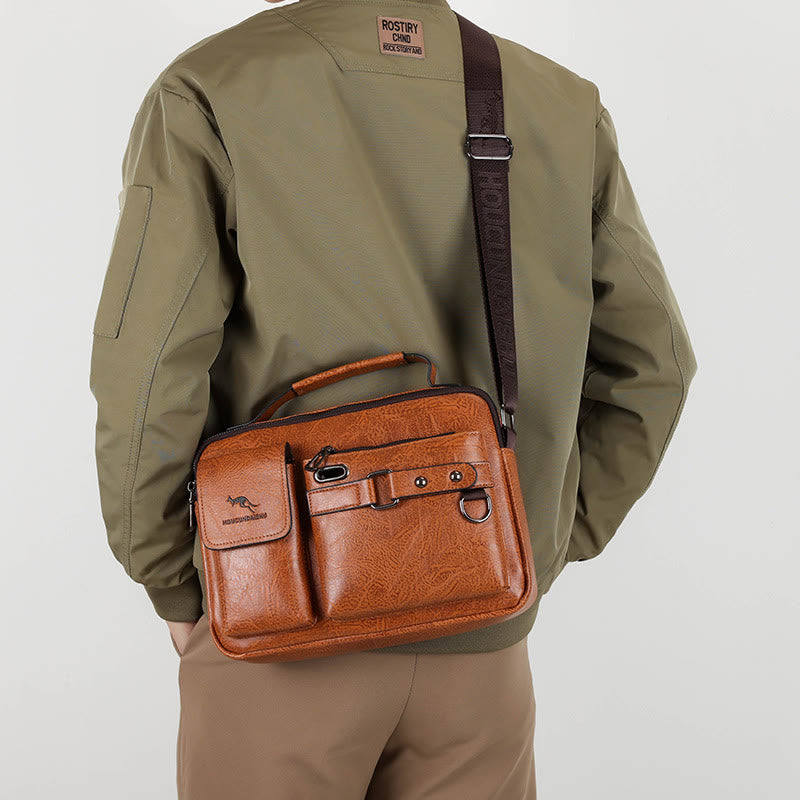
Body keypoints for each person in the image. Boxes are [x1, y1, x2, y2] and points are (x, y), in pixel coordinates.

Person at [88, 0, 698, 796]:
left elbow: (147, 374)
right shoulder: (558, 102)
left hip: (282, 626)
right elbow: (656, 365)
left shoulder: (211, 88)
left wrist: (174, 576)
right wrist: (532, 541)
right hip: (483, 640)